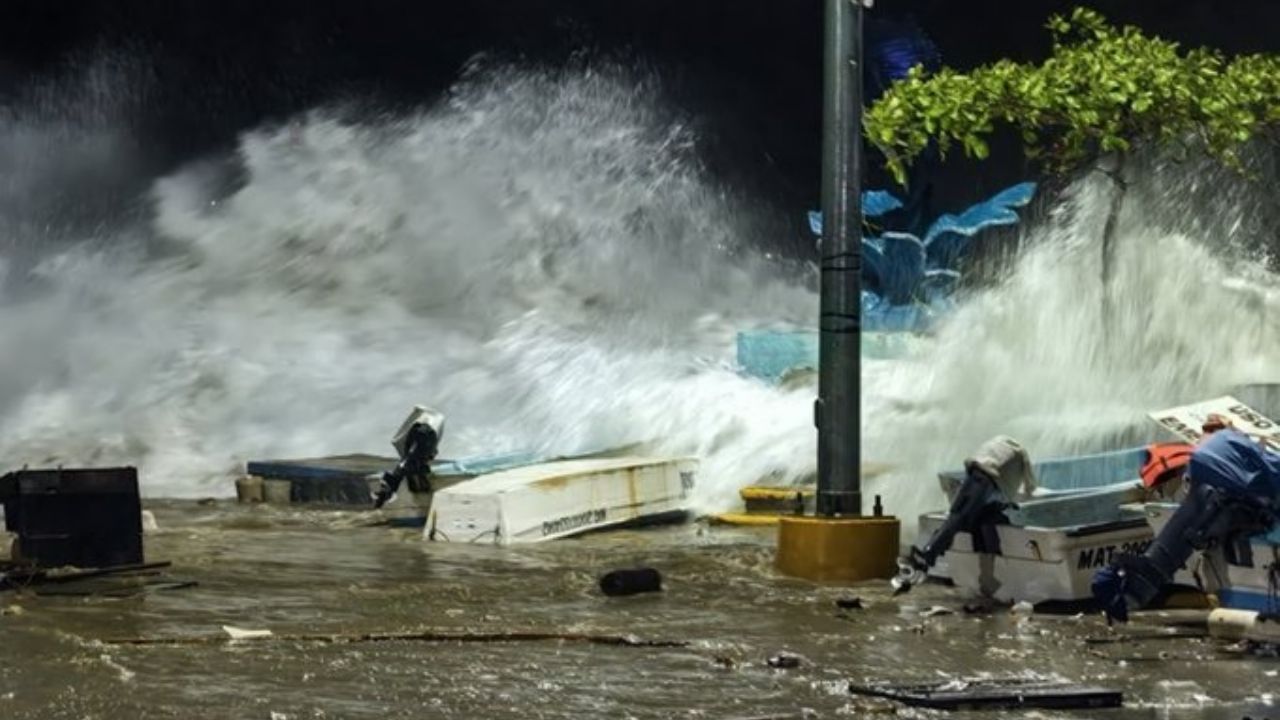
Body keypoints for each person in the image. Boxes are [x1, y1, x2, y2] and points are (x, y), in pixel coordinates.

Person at [1092, 416, 1280, 622]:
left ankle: (1132, 582)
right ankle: (1134, 582)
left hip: (1210, 466)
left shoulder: (1222, 441)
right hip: (1227, 478)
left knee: (1199, 521)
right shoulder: (1240, 450)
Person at [892, 435, 1035, 594]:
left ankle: (927, 557)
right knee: (978, 523)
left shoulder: (989, 465)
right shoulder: (1011, 460)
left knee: (959, 517)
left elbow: (959, 516)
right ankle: (986, 579)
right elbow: (1022, 487)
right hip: (991, 483)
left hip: (984, 478)